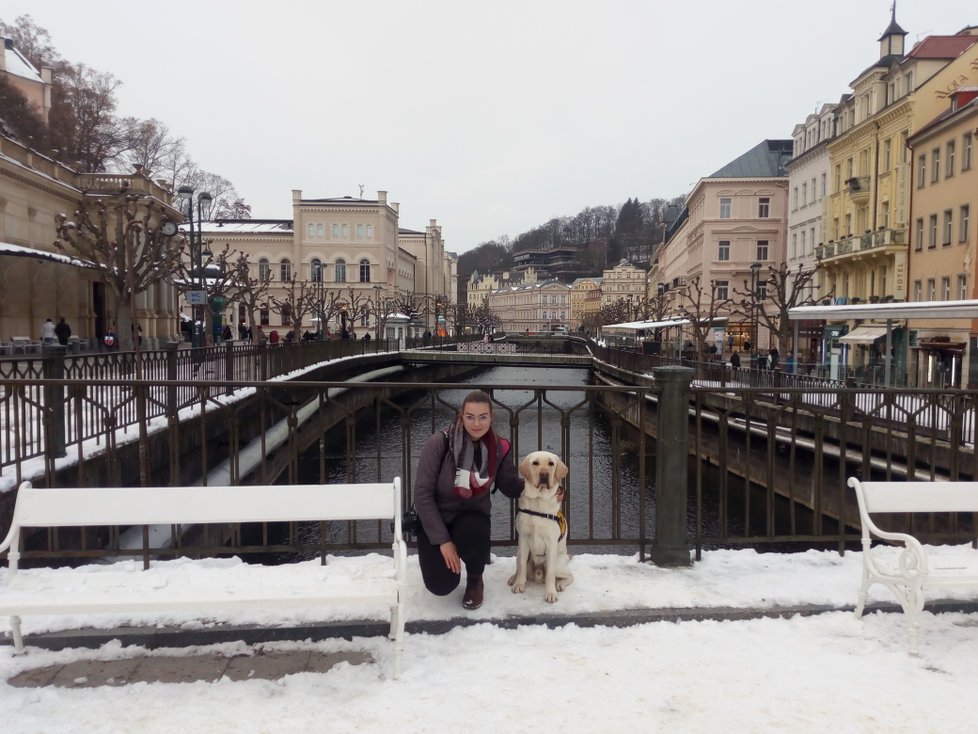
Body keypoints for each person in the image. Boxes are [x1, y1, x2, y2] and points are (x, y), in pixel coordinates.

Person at [413, 389, 524, 610]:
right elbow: (422, 495)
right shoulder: (440, 443)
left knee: (475, 526)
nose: (476, 424)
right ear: (461, 416)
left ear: (491, 418)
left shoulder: (499, 448)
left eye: (483, 417)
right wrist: (443, 541)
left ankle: (475, 578)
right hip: (437, 519)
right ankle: (447, 553)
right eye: (470, 416)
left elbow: (510, 486)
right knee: (441, 585)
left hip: (471, 520)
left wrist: (544, 486)